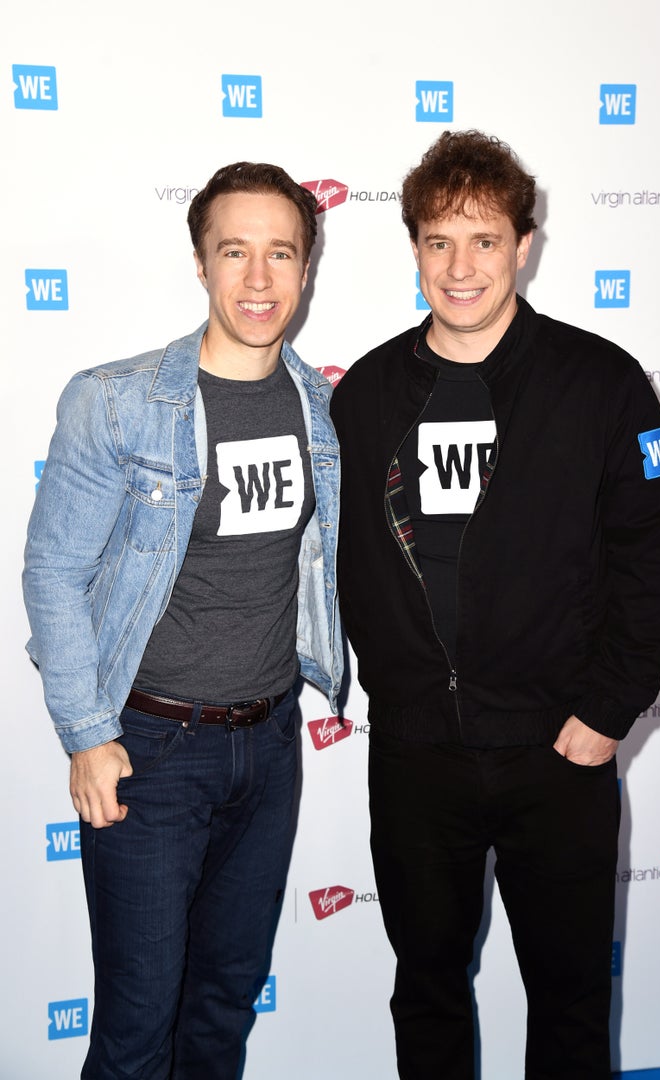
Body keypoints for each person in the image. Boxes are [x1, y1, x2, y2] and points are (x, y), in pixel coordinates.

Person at [329, 130, 660, 1080]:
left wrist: (606, 713)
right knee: (428, 988)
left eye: (485, 240)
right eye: (440, 241)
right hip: (417, 756)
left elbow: (656, 561)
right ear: (413, 248)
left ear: (524, 245)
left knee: (570, 1001)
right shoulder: (363, 395)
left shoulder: (600, 382)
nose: (462, 267)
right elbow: (338, 561)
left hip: (557, 752)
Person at [23, 161, 342, 1080]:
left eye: (280, 253)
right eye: (233, 251)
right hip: (149, 756)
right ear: (200, 263)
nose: (257, 278)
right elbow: (54, 573)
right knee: (135, 1026)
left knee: (222, 1006)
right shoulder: (116, 402)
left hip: (270, 746)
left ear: (307, 268)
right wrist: (86, 735)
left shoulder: (322, 407)